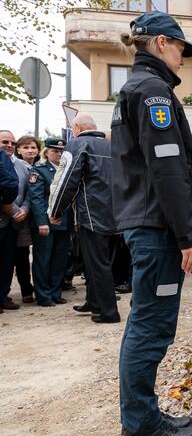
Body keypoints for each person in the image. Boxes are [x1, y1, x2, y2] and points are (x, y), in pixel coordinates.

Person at [111, 10, 192, 436]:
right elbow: (167, 172)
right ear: (163, 44)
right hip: (157, 229)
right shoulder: (152, 92)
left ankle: (142, 416)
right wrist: (188, 235)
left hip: (146, 223)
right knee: (151, 327)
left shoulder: (138, 89)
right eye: (182, 48)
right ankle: (141, 430)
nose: (184, 58)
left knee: (146, 325)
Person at [48, 113, 120, 323]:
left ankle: (109, 312)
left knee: (97, 264)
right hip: (116, 215)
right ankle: (93, 301)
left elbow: (67, 180)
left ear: (77, 127)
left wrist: (55, 211)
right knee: (96, 262)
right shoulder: (111, 146)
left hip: (91, 214)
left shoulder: (78, 144)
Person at [27, 138, 72, 307]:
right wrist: (41, 222)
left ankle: (55, 292)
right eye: (55, 151)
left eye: (61, 151)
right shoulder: (39, 170)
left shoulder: (66, 170)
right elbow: (36, 198)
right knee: (43, 260)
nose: (59, 154)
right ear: (46, 153)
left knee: (59, 260)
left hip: (64, 222)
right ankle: (43, 296)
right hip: (45, 224)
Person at [13, 135, 40, 303]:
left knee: (38, 254)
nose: (30, 150)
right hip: (18, 217)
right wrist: (20, 210)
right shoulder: (14, 166)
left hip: (35, 217)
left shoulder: (39, 167)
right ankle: (25, 290)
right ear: (19, 150)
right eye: (26, 147)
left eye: (33, 147)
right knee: (20, 255)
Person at [0, 133, 19, 313]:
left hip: (11, 222)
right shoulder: (2, 160)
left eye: (12, 143)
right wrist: (7, 203)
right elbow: (10, 184)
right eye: (4, 142)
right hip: (3, 216)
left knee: (7, 261)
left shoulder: (18, 164)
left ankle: (3, 296)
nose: (9, 145)